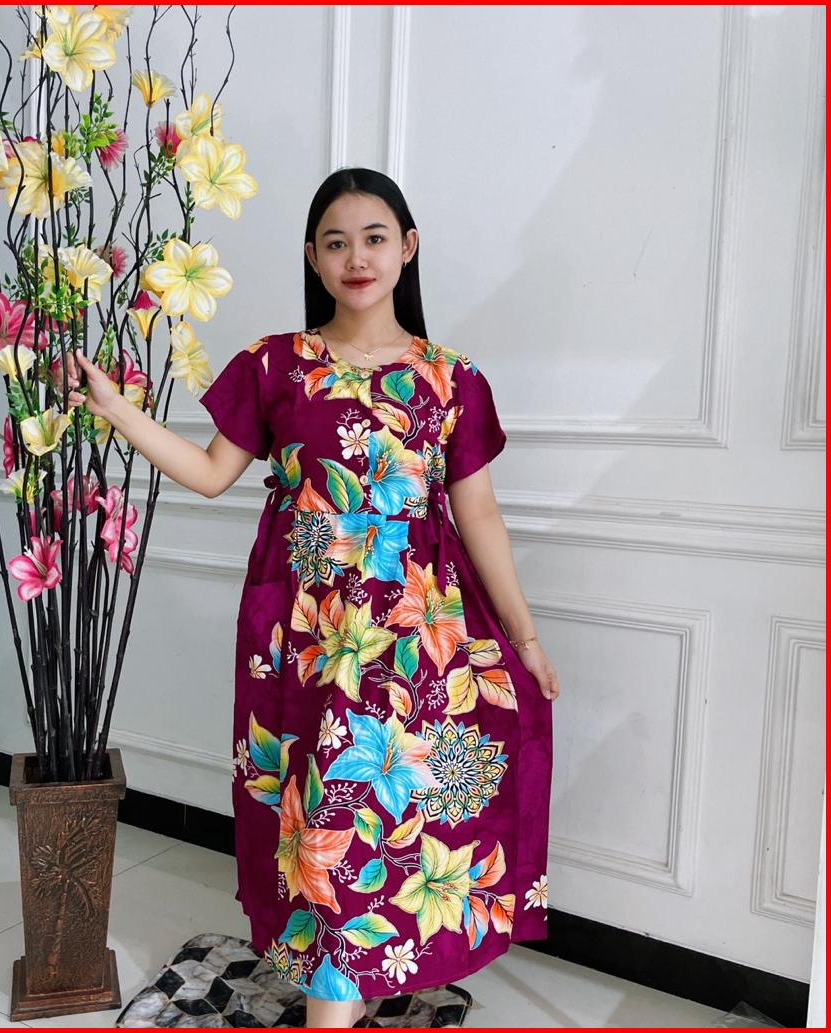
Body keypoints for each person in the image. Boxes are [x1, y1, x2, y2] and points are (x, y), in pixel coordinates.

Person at [66, 168, 558, 1028]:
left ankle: (345, 988)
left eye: (374, 238)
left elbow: (477, 514)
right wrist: (118, 411)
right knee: (319, 809)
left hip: (417, 631)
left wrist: (522, 635)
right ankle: (340, 987)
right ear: (312, 257)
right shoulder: (275, 364)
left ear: (406, 248)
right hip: (307, 631)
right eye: (336, 242)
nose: (355, 257)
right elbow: (210, 472)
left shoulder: (451, 379)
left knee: (387, 809)